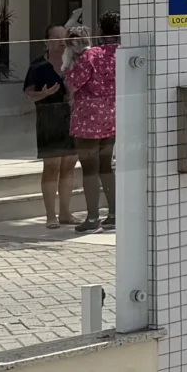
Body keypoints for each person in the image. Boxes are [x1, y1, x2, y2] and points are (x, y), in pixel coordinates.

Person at [65, 12, 121, 232]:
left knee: (90, 168)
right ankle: (114, 214)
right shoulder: (123, 53)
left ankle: (92, 218)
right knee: (106, 166)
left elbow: (73, 82)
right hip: (112, 117)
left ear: (100, 29)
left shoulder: (92, 55)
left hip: (87, 118)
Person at [21, 25, 78, 229]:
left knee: (69, 165)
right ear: (46, 41)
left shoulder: (73, 62)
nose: (61, 41)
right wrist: (43, 94)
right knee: (52, 166)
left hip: (72, 119)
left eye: (64, 37)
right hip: (49, 119)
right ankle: (50, 215)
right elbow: (29, 94)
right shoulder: (38, 66)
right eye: (56, 37)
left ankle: (66, 213)